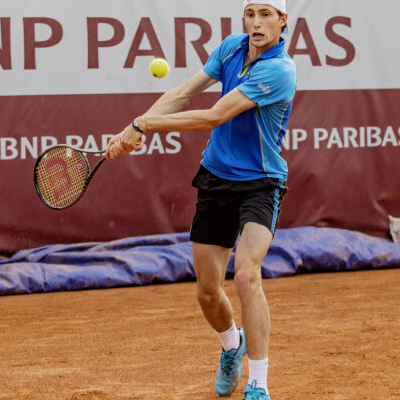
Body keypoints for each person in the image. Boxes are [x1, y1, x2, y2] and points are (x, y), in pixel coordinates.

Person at [105, 1, 295, 398]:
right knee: (208, 292)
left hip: (261, 183)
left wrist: (145, 123)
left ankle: (258, 383)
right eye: (251, 13)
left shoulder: (279, 70)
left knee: (246, 275)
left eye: (266, 14)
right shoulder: (230, 47)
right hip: (215, 179)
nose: (256, 22)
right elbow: (182, 93)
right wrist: (131, 130)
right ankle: (231, 347)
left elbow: (213, 116)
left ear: (282, 21)